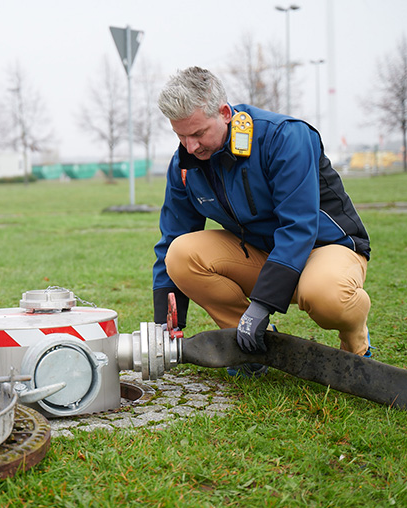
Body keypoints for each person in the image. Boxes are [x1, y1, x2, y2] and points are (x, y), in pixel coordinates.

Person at [152, 67, 372, 376]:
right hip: (261, 255)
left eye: (199, 133)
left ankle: (356, 342)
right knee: (181, 253)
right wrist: (165, 323)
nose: (191, 147)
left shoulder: (285, 137)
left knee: (327, 296)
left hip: (322, 247)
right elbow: (171, 237)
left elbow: (298, 226)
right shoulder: (185, 166)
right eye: (181, 136)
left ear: (225, 113)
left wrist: (262, 305)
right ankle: (249, 350)